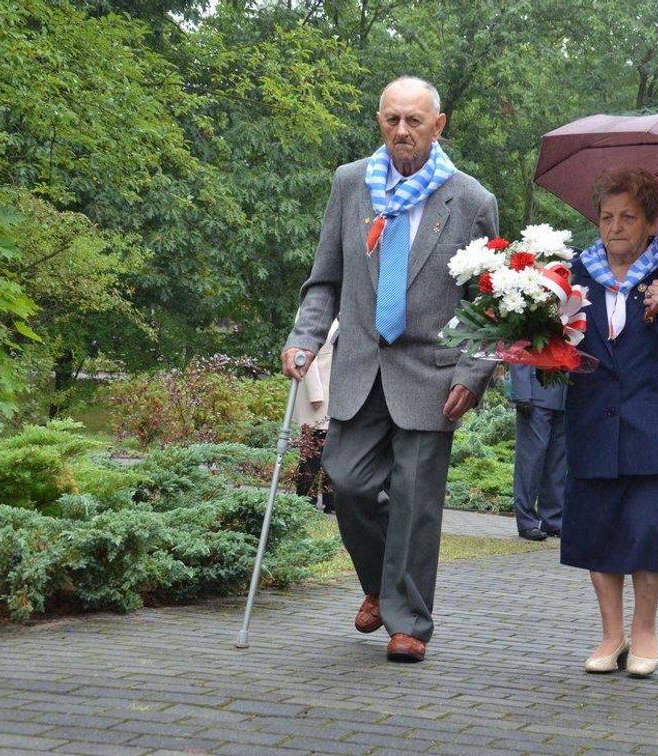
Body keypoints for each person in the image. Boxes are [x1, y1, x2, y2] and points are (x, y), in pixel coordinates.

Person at [281, 76, 499, 663]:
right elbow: (324, 277)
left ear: (439, 125)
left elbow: (492, 303)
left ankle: (408, 623)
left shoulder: (472, 200)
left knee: (415, 499)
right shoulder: (351, 184)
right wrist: (303, 338)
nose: (402, 131)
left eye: (414, 121)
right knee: (347, 481)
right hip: (358, 367)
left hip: (433, 374)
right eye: (392, 120)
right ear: (379, 121)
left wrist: (472, 374)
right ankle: (378, 582)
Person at [562, 167, 658, 677]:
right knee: (598, 530)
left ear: (651, 221)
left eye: (628, 217)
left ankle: (646, 631)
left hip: (654, 423)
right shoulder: (575, 271)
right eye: (607, 216)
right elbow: (556, 345)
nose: (615, 227)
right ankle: (611, 636)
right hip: (591, 419)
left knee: (648, 530)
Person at [510, 364, 565, 541]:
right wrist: (522, 393)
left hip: (566, 396)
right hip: (536, 394)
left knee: (558, 463)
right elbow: (520, 348)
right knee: (530, 461)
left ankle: (553, 520)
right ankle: (527, 522)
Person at [294, 319, 338, 513]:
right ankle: (305, 501)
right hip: (318, 396)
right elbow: (304, 352)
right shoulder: (311, 311)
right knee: (312, 453)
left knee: (333, 451)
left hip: (335, 396)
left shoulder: (341, 310)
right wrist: (315, 393)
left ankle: (332, 501)